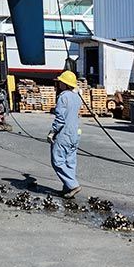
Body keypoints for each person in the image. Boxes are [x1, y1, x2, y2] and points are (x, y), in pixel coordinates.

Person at [48, 70, 82, 198]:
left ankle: (73, 185)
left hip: (64, 134)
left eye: (61, 82)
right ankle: (67, 188)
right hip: (75, 134)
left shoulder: (63, 97)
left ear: (65, 84)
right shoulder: (77, 97)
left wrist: (52, 132)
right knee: (70, 161)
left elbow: (60, 119)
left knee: (57, 161)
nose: (59, 84)